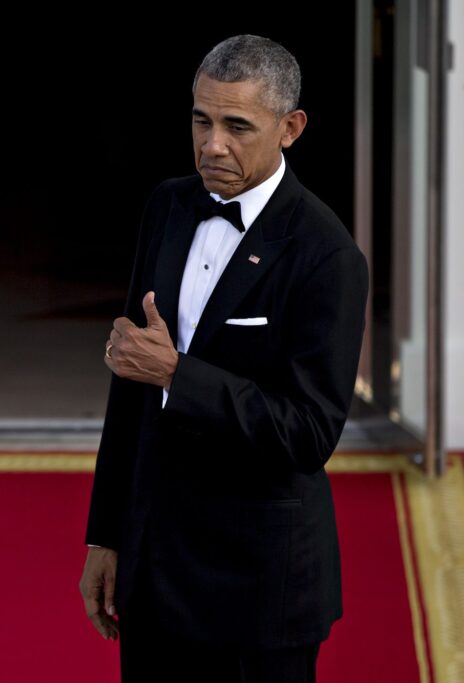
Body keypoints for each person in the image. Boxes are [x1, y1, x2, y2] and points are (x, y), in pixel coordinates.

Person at [79, 35, 368, 682]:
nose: (212, 144)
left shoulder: (327, 255)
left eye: (237, 126)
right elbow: (131, 382)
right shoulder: (168, 205)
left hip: (259, 588)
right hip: (153, 570)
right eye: (200, 120)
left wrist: (179, 375)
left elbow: (309, 432)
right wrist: (106, 535)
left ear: (290, 128)